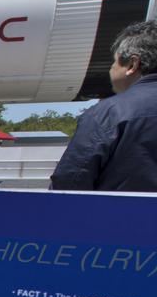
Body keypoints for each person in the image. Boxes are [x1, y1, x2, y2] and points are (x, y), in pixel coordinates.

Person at [51, 20, 157, 191]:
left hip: (122, 216)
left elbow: (71, 181)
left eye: (114, 62)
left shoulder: (109, 112)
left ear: (132, 64)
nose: (111, 69)